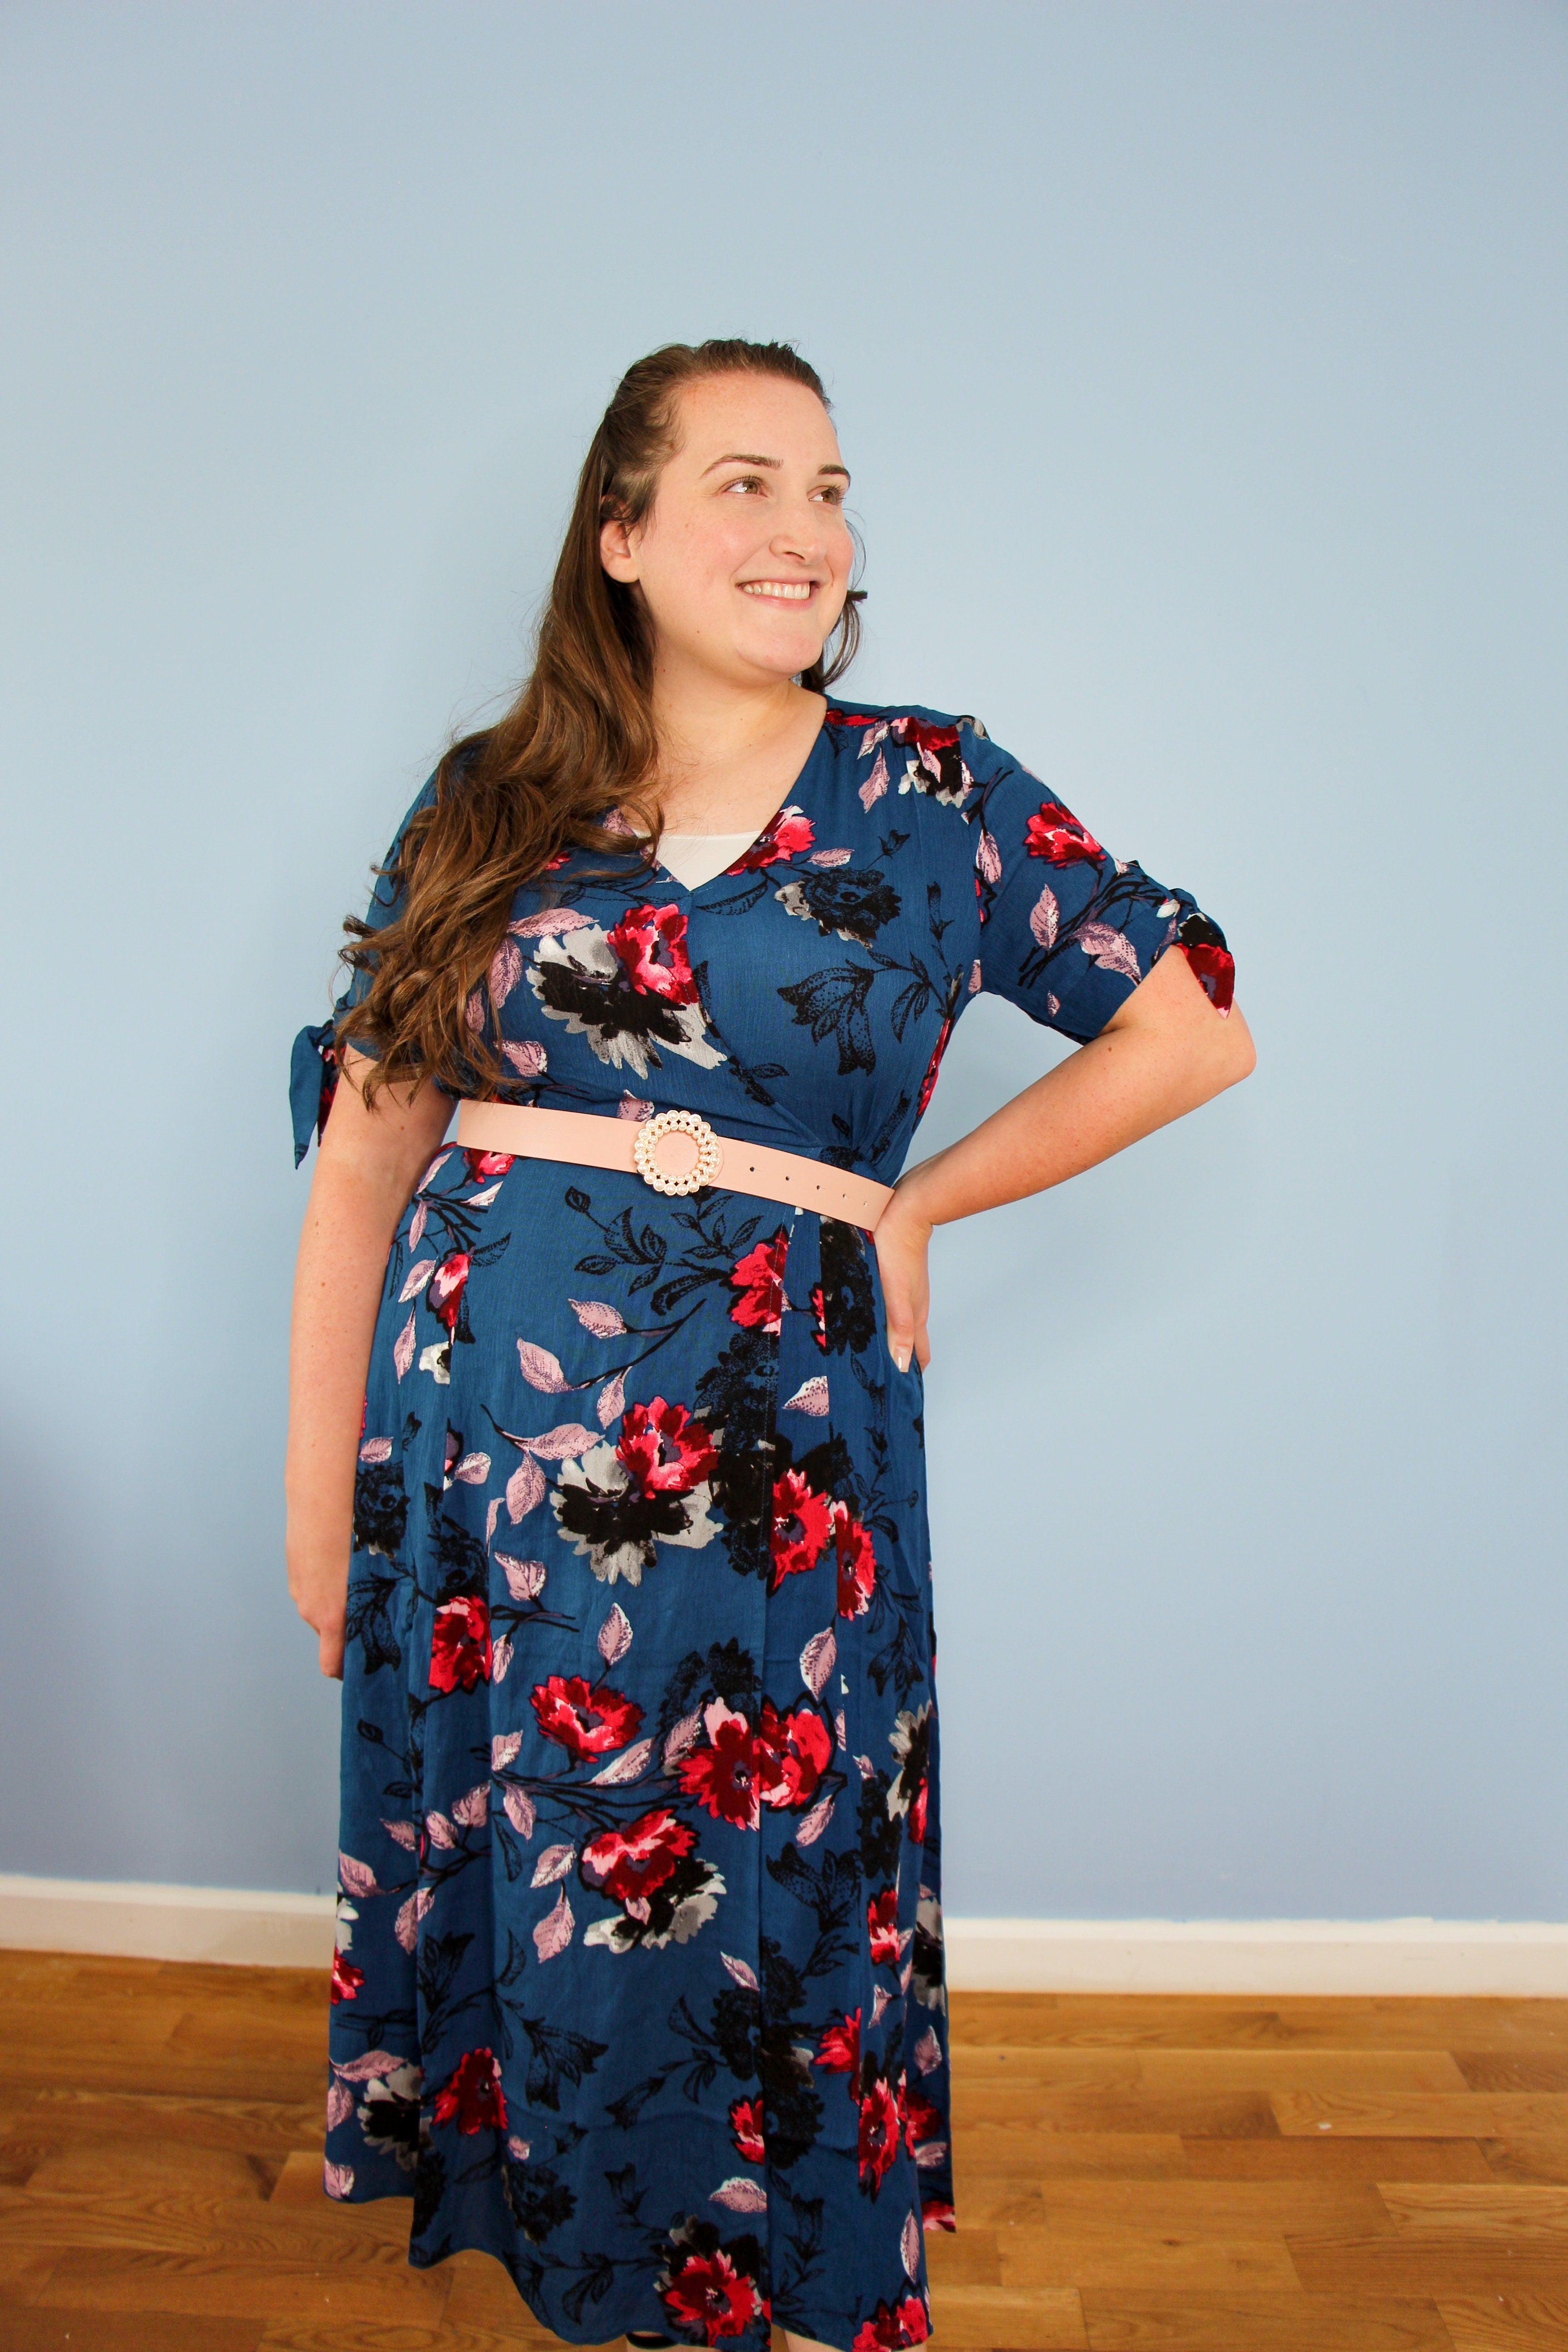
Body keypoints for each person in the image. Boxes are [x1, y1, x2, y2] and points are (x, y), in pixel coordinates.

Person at [286, 338, 1255, 2352]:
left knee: (769, 1846)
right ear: (623, 536)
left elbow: (1190, 1032)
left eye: (828, 491)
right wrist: (317, 1510)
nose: (806, 530)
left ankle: (761, 2263)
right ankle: (573, 2259)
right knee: (546, 1854)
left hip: (786, 1451)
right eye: (746, 484)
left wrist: (922, 1202)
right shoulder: (491, 801)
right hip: (486, 1469)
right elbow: (368, 1153)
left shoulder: (933, 792)